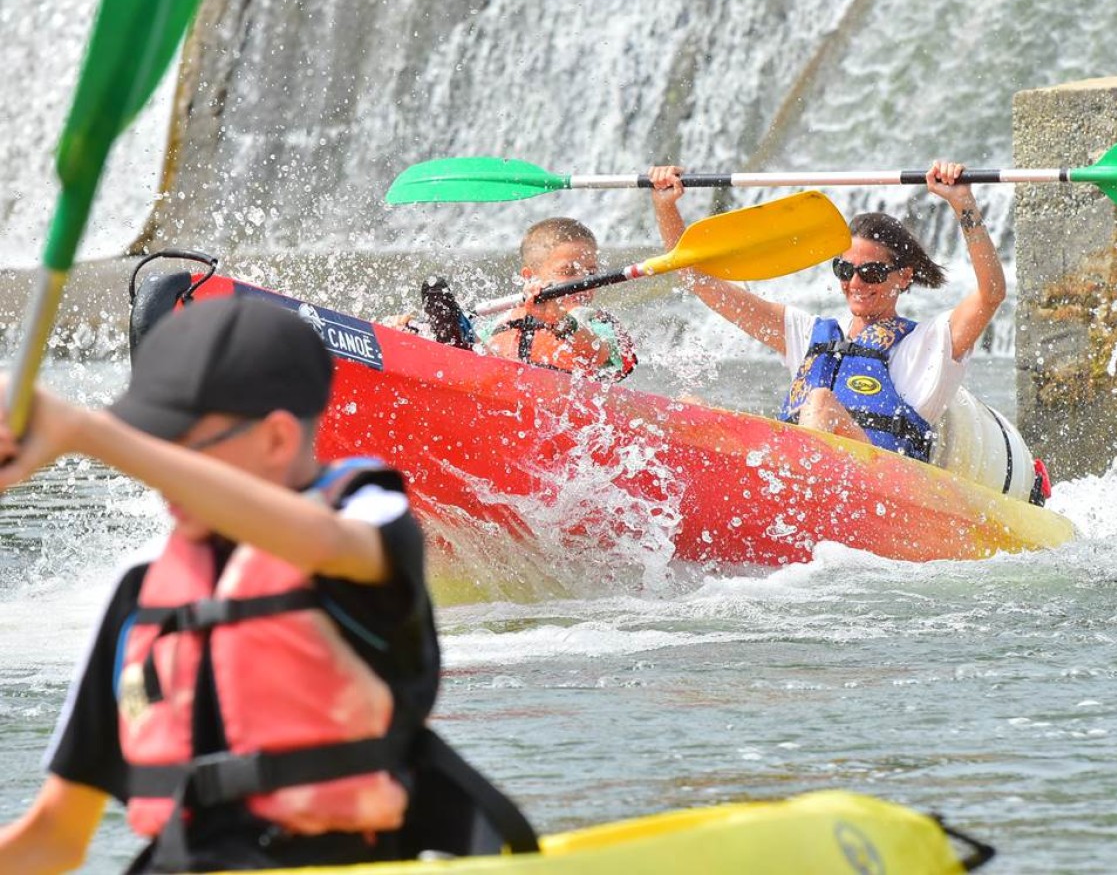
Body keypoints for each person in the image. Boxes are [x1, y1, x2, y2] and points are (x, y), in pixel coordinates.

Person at [0, 297, 532, 873]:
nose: (158, 472)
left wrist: (87, 432)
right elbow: (54, 837)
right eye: (152, 445)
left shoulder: (369, 529)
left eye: (177, 447)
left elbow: (323, 543)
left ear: (277, 440)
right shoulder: (141, 594)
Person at [647, 163, 1006, 461]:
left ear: (904, 276)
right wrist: (666, 207)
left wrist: (963, 203)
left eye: (872, 272)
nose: (856, 282)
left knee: (820, 401)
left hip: (882, 483)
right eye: (844, 270)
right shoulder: (809, 334)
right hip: (797, 474)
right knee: (689, 408)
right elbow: (699, 281)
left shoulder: (929, 343)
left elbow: (991, 294)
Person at [475, 217, 637, 380]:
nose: (584, 282)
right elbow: (474, 353)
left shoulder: (597, 323)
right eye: (568, 272)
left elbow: (599, 356)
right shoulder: (503, 321)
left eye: (591, 273)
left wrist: (559, 320)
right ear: (530, 276)